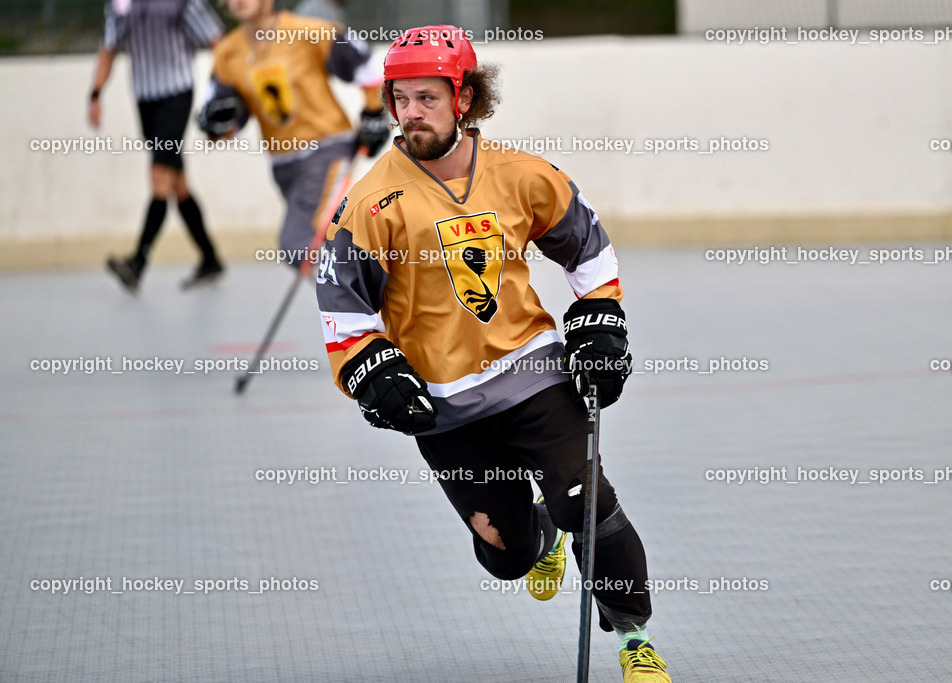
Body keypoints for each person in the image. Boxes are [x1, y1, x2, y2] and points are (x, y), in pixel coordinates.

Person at [315, 25, 671, 682]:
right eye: (400, 98)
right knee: (505, 554)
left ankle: (633, 638)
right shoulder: (370, 201)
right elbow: (341, 303)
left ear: (465, 98)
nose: (410, 111)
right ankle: (534, 537)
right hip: (445, 408)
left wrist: (598, 315)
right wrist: (369, 369)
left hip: (533, 375)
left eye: (428, 96)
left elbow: (587, 248)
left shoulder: (520, 175)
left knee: (584, 501)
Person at [196, 0, 389, 271]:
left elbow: (365, 63)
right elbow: (227, 119)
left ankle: (366, 306)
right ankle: (376, 298)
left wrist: (374, 113)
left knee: (299, 244)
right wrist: (216, 123)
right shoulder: (228, 53)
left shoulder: (304, 30)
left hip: (326, 149)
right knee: (329, 244)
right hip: (283, 165)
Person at [90, 0, 226, 293]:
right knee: (178, 184)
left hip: (176, 93)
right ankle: (210, 257)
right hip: (145, 97)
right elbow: (109, 48)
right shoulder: (119, 5)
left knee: (159, 177)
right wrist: (95, 93)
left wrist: (223, 92)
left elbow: (218, 42)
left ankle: (138, 262)